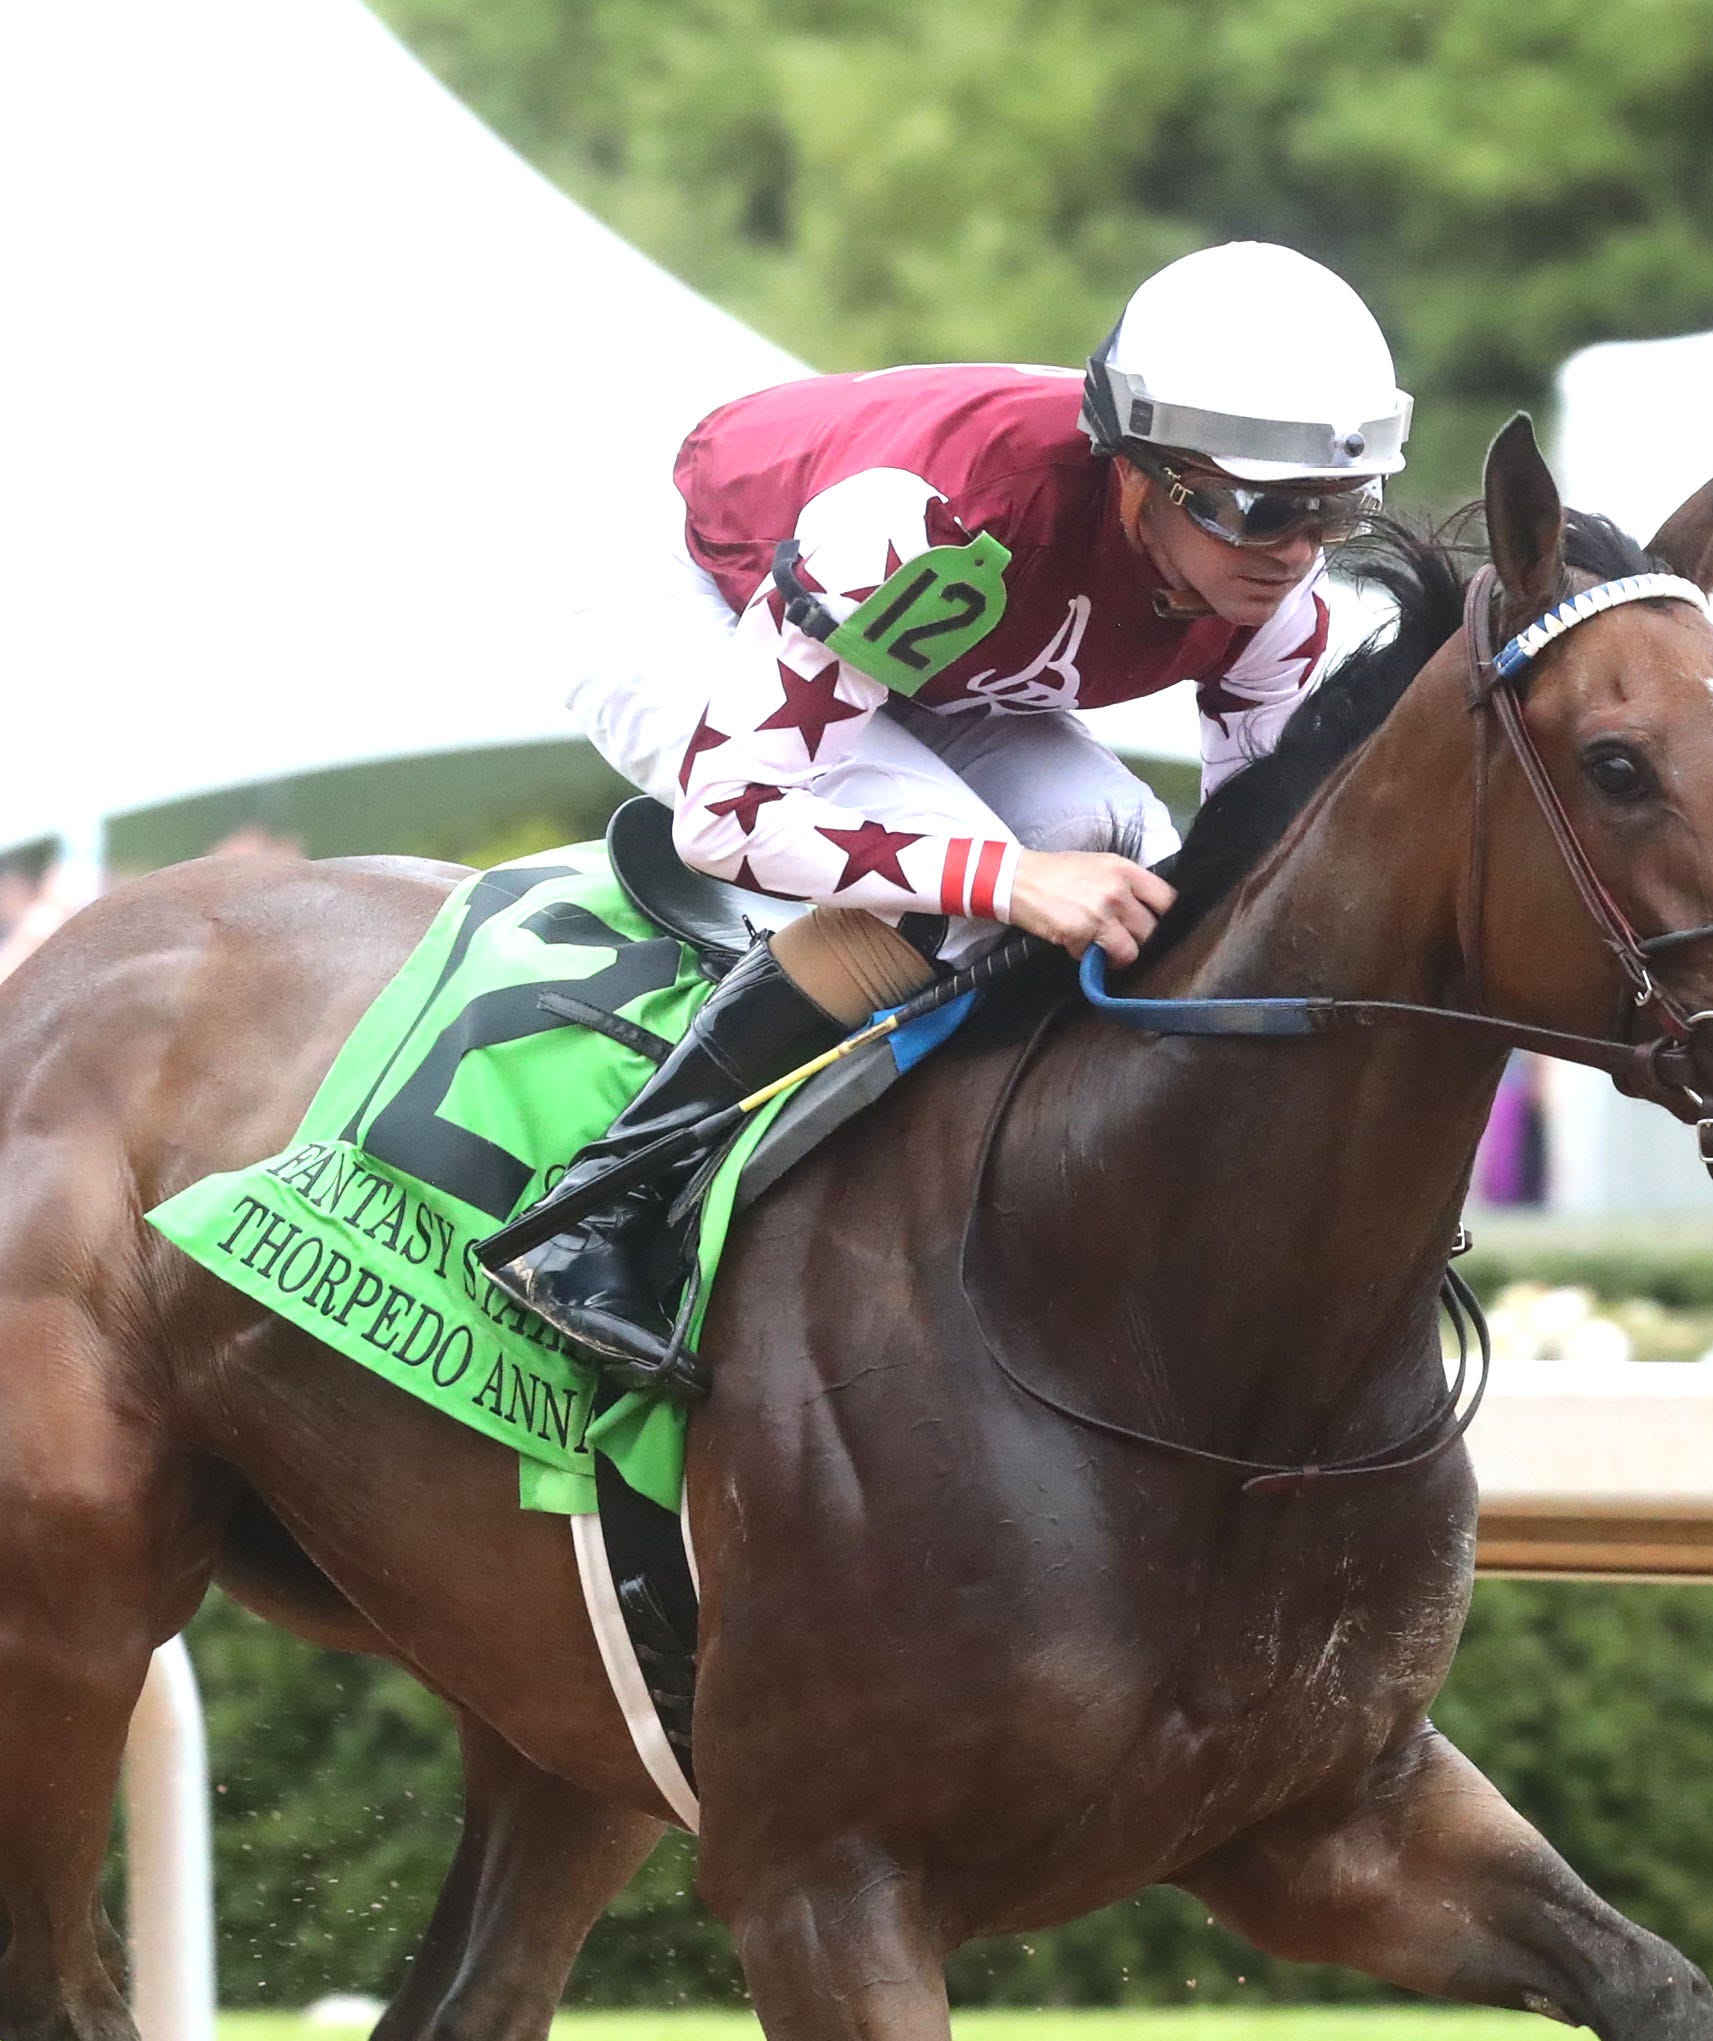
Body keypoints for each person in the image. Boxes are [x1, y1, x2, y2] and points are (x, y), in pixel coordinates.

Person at [493, 240, 1411, 1392]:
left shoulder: (1278, 597)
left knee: (1129, 854)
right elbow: (731, 820)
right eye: (1262, 510)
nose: (1297, 554)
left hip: (925, 649)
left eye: (1336, 509)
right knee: (976, 894)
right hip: (692, 592)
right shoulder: (928, 525)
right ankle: (593, 1211)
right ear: (1136, 469)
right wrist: (1003, 880)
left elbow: (1247, 868)